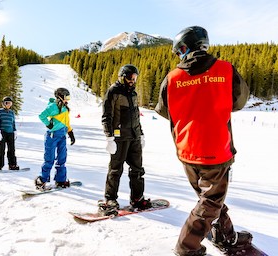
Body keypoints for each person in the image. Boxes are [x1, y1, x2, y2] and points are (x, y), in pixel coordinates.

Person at [155, 26, 252, 256]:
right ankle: (186, 247)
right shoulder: (225, 70)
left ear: (185, 48)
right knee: (210, 202)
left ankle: (224, 233)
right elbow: (239, 101)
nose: (178, 57)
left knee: (208, 199)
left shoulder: (172, 78)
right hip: (216, 151)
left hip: (187, 152)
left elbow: (163, 110)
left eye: (179, 52)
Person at [100, 64, 151, 216]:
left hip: (134, 137)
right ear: (122, 77)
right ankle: (110, 199)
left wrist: (140, 134)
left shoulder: (133, 94)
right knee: (116, 169)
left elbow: (136, 116)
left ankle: (137, 198)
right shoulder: (113, 92)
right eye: (130, 78)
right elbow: (106, 116)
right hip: (119, 138)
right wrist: (109, 137)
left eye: (135, 78)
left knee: (137, 170)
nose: (132, 81)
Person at [35, 87, 75, 189]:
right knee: (50, 159)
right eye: (66, 97)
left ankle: (60, 180)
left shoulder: (65, 108)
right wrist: (49, 125)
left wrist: (70, 133)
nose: (67, 99)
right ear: (60, 96)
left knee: (62, 158)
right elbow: (42, 116)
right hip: (52, 136)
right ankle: (42, 180)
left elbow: (67, 122)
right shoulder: (53, 106)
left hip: (62, 136)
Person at [0, 96, 19, 172]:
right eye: (7, 103)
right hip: (2, 132)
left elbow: (13, 123)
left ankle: (12, 164)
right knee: (1, 149)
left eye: (10, 103)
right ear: (3, 104)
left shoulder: (11, 112)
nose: (9, 105)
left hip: (10, 132)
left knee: (11, 149)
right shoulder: (0, 111)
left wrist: (15, 131)